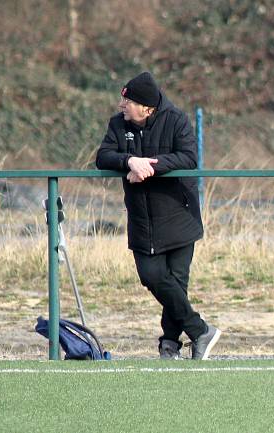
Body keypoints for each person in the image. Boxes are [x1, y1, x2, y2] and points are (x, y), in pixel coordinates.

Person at [95, 72, 221, 360]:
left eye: (126, 101)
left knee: (176, 285)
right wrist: (129, 161)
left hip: (179, 216)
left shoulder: (176, 120)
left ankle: (169, 345)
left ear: (146, 108)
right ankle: (200, 330)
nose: (121, 106)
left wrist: (152, 166)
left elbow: (189, 158)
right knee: (151, 275)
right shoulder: (118, 125)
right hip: (142, 219)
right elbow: (103, 156)